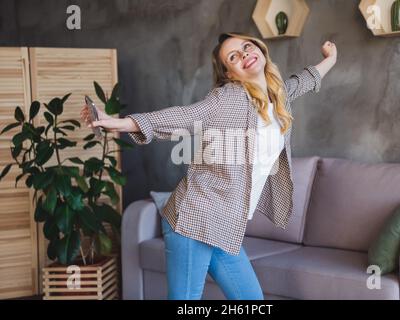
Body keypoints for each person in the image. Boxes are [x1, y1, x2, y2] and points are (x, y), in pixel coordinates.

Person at [80, 32, 337, 300]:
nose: (244, 55)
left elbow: (304, 80)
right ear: (231, 74)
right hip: (194, 219)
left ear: (260, 49)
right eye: (233, 57)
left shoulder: (278, 94)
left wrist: (331, 59)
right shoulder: (229, 99)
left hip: (225, 225)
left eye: (247, 47)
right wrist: (120, 123)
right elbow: (183, 116)